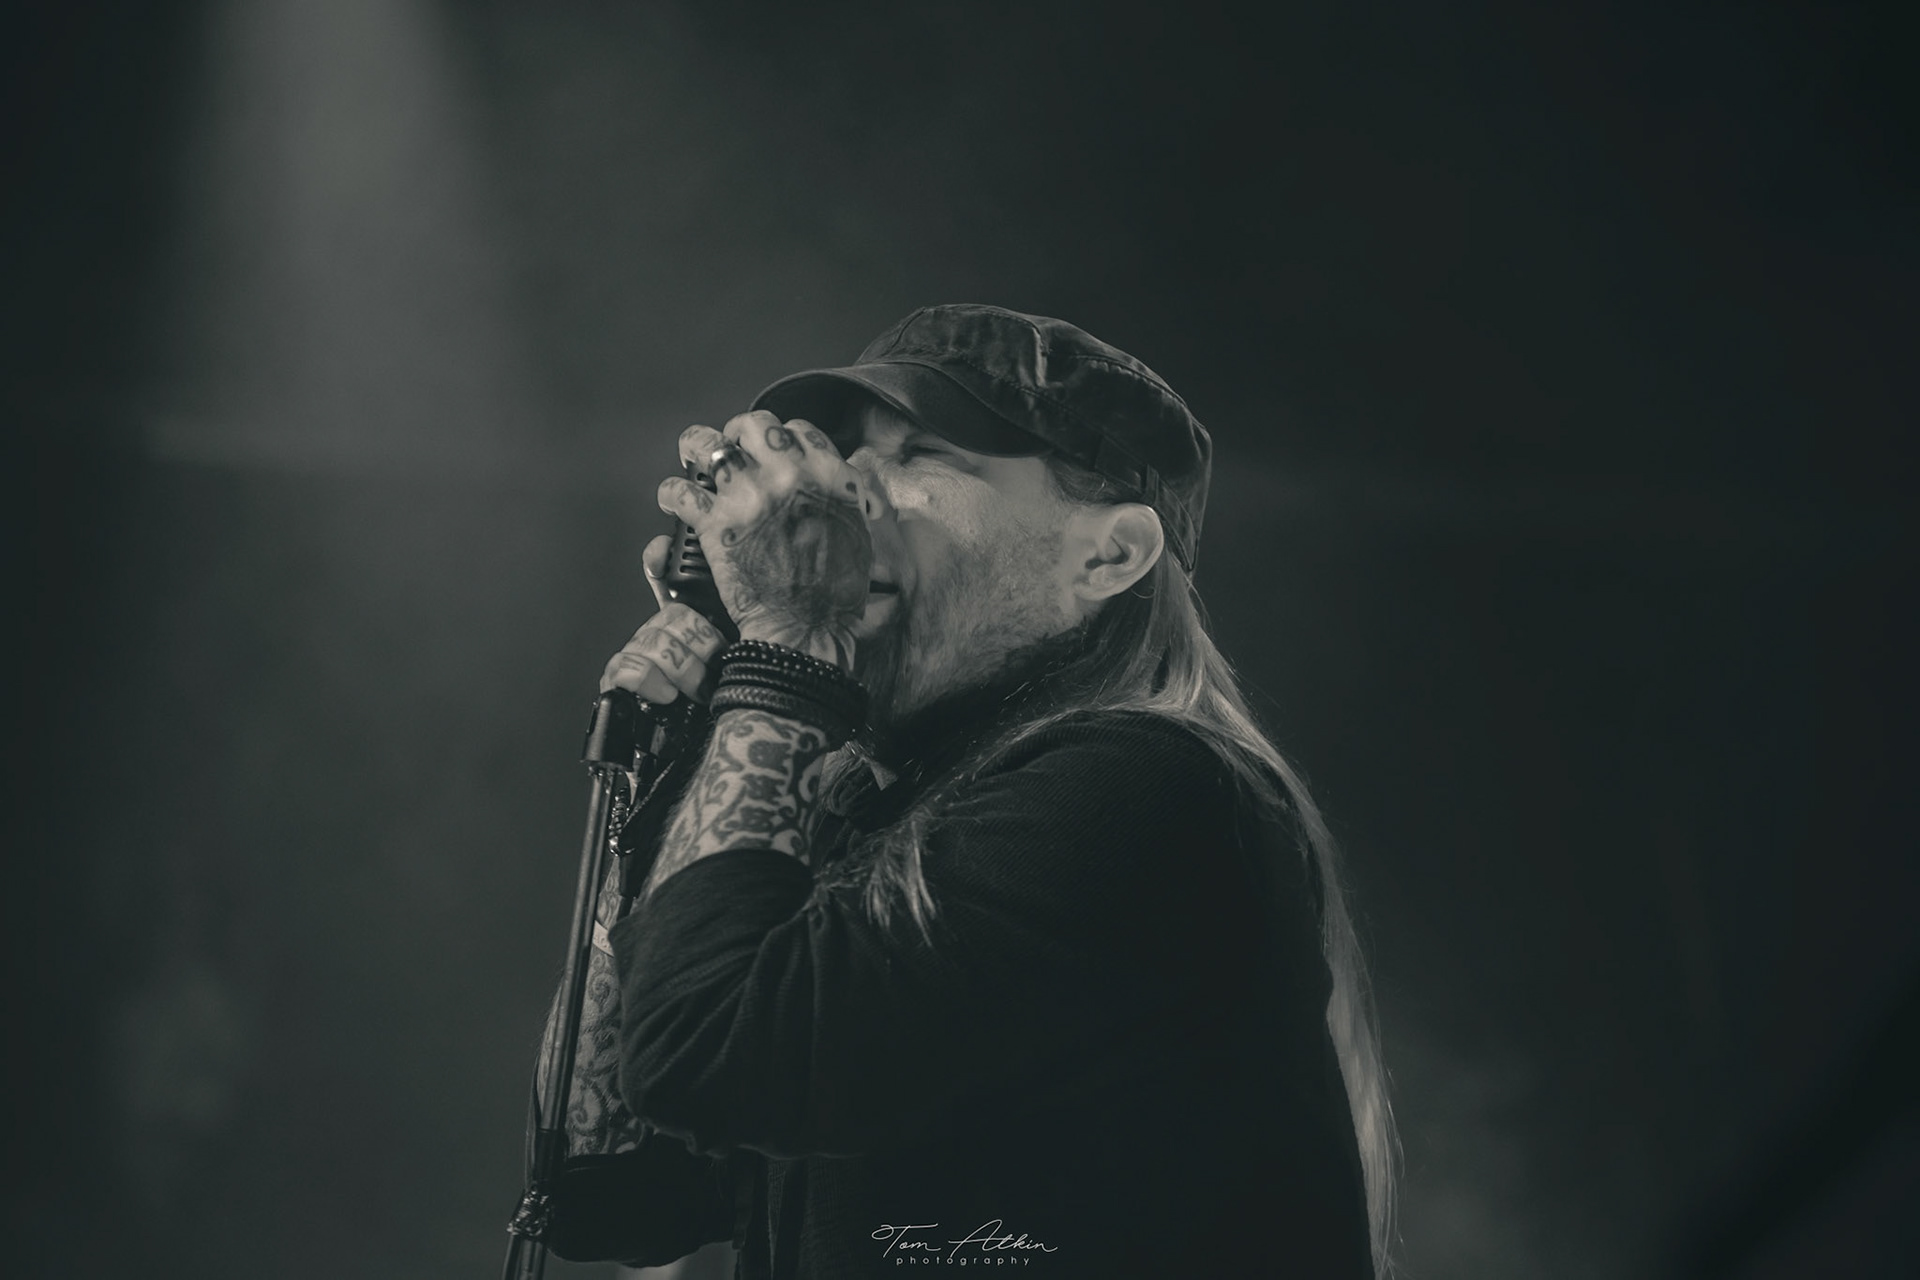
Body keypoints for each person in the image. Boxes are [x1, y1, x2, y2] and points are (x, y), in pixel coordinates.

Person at [531, 304, 1396, 1278]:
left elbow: (713, 1054)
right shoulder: (867, 816)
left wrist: (785, 648)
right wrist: (700, 737)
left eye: (922, 456)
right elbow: (607, 1192)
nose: (845, 489)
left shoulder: (1149, 788)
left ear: (1108, 555)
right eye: (850, 454)